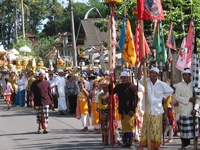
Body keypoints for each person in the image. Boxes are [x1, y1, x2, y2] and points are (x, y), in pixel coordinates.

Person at [137, 61, 174, 150]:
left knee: (156, 129)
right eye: (150, 73)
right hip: (148, 109)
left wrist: (162, 97)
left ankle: (154, 146)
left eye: (153, 73)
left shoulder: (161, 84)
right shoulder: (146, 81)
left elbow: (171, 91)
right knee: (145, 128)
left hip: (157, 110)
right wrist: (141, 65)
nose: (151, 75)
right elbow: (138, 77)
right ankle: (141, 145)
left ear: (157, 74)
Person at [109, 71, 139, 149]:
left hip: (130, 110)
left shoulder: (133, 87)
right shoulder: (119, 86)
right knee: (125, 126)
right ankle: (126, 142)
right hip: (122, 109)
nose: (125, 79)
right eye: (123, 78)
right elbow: (111, 92)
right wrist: (110, 82)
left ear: (129, 78)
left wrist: (133, 109)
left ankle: (132, 142)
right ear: (121, 78)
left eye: (126, 78)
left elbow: (135, 99)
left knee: (130, 126)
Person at [175, 68, 200, 150]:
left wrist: (196, 109)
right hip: (183, 111)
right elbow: (177, 97)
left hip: (193, 111)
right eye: (184, 75)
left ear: (190, 75)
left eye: (187, 75)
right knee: (183, 131)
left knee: (195, 131)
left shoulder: (195, 85)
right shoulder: (179, 85)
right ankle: (183, 146)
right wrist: (188, 99)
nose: (185, 76)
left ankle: (195, 146)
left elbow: (198, 99)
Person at [30, 69, 53, 134]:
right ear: (39, 76)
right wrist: (31, 100)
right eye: (41, 75)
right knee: (39, 115)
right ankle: (39, 125)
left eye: (43, 75)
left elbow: (49, 92)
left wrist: (51, 101)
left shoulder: (47, 83)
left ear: (45, 76)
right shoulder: (35, 83)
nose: (42, 76)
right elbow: (32, 92)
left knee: (46, 115)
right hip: (37, 101)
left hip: (46, 101)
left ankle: (45, 128)